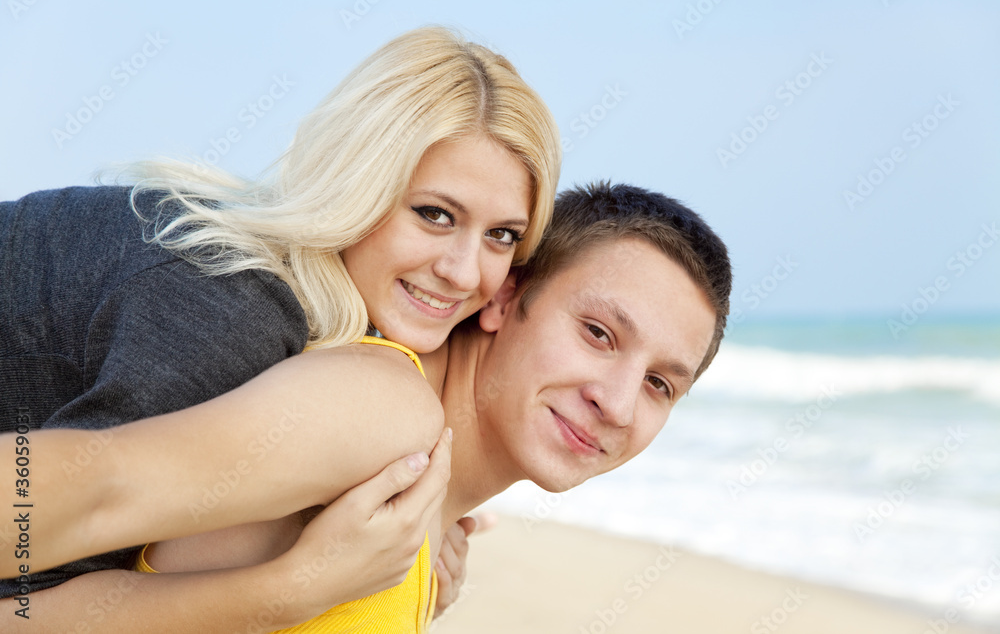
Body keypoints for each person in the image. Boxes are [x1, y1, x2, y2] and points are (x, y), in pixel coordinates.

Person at [0, 25, 560, 613]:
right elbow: (27, 611)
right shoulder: (231, 308)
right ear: (355, 181)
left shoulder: (303, 321)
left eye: (501, 235)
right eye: (435, 214)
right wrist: (295, 590)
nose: (465, 273)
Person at [1, 182, 732, 632]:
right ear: (508, 297)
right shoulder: (383, 409)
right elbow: (93, 491)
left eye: (661, 384)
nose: (616, 400)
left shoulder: (422, 507)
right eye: (598, 333)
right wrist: (286, 592)